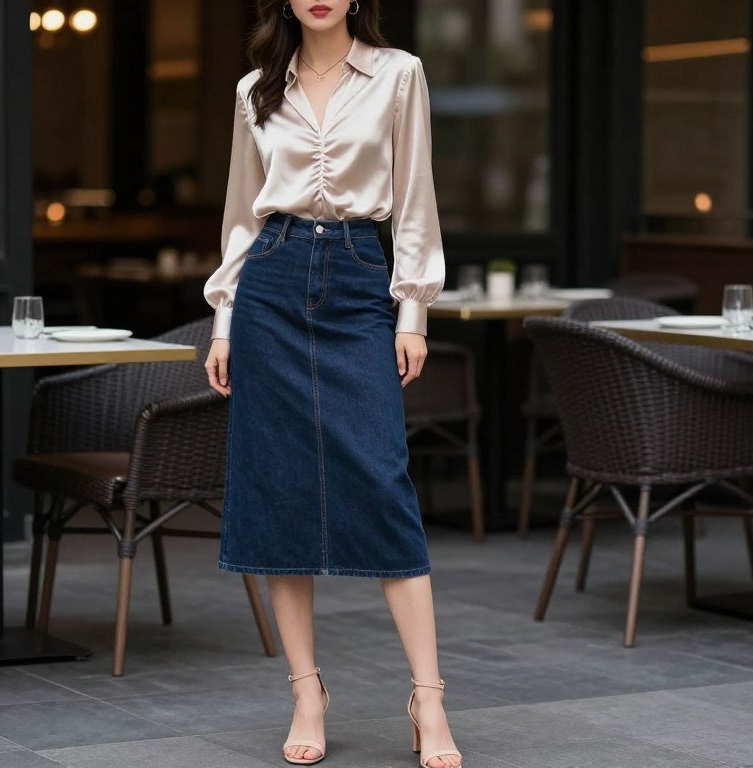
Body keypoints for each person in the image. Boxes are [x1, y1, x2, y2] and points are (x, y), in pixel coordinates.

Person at [202, 1, 459, 766]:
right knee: (279, 487)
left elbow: (415, 199)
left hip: (357, 278)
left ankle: (428, 697)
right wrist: (222, 323)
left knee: (382, 479)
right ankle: (307, 689)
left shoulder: (398, 74)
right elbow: (240, 220)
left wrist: (411, 312)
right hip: (271, 284)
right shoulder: (257, 89)